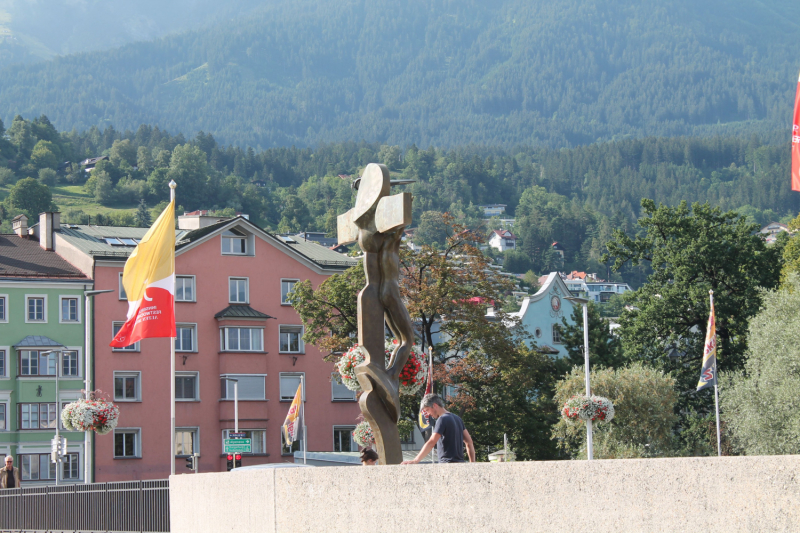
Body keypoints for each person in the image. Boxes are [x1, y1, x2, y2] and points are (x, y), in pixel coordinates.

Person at [401, 393, 475, 464]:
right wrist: (472, 464)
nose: (428, 414)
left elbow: (431, 442)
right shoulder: (458, 418)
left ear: (435, 405)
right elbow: (469, 442)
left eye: (427, 410)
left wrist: (415, 460)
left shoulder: (442, 419)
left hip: (446, 464)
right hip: (460, 464)